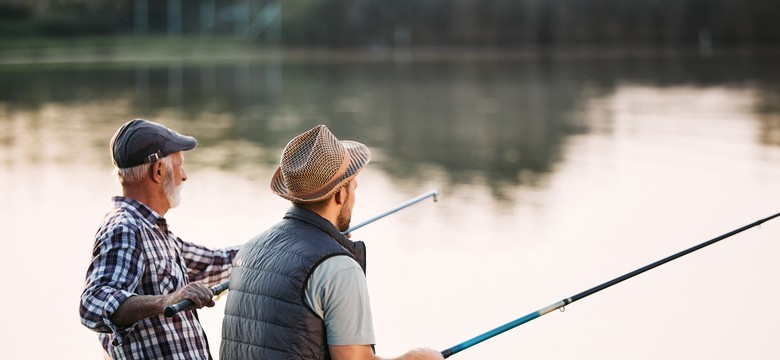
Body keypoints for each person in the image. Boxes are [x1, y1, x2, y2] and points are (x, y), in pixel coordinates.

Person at [220, 125, 443, 360]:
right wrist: (418, 357)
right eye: (354, 186)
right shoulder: (338, 268)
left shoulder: (251, 249)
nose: (355, 195)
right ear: (340, 195)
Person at [79, 119, 241, 359]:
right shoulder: (125, 228)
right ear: (158, 171)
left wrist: (281, 242)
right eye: (180, 166)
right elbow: (92, 304)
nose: (184, 176)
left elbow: (218, 262)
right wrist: (166, 300)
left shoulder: (155, 232)